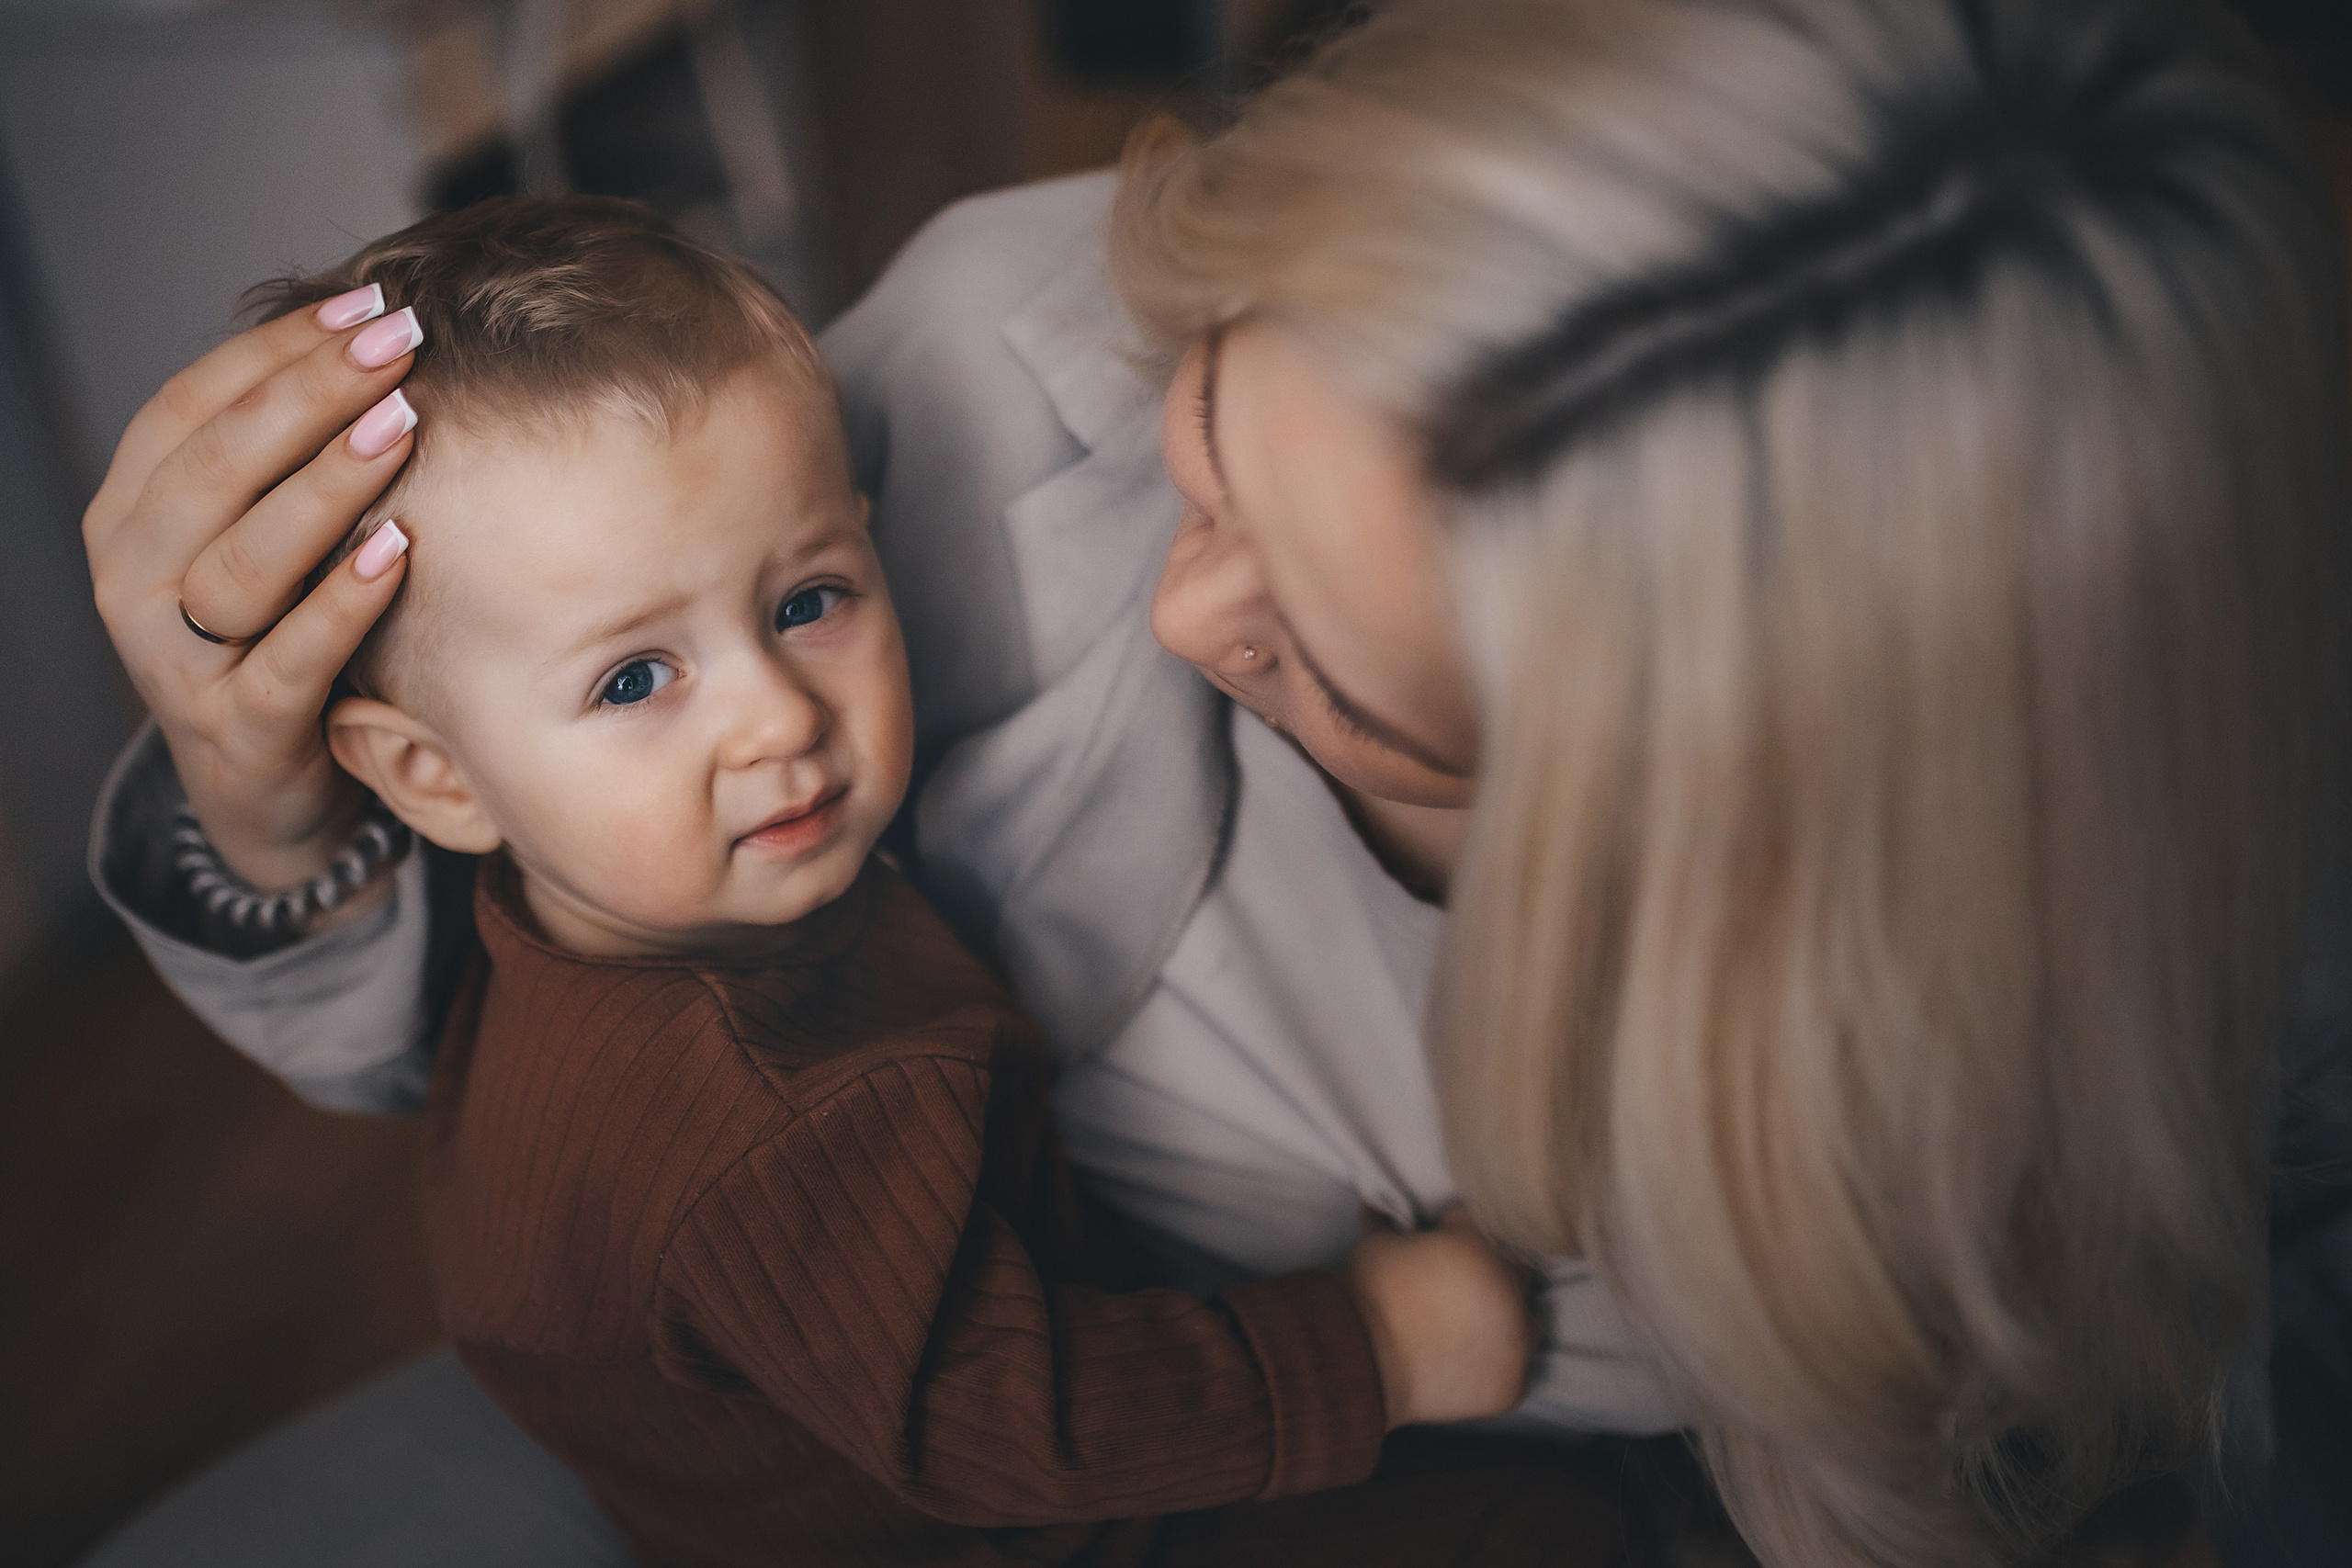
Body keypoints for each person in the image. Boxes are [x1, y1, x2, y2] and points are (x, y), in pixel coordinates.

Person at [76, 1, 2351, 1565]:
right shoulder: (980, 349)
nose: (1176, 617)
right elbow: (511, 992)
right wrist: (264, 810)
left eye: (1342, 678)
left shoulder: (2091, 1045)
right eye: (1210, 449)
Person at [235, 193, 1541, 1567]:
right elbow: (1017, 1433)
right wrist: (1381, 1347)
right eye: (634, 678)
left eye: (808, 600)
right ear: (436, 778)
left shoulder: (592, 914)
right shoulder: (780, 1117)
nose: (781, 718)